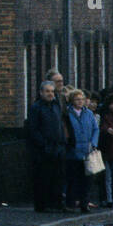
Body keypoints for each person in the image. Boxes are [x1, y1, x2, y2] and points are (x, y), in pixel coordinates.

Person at [26, 81, 68, 213]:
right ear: (41, 92)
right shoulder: (36, 108)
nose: (50, 94)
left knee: (58, 177)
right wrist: (44, 145)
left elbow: (60, 125)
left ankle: (56, 203)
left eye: (52, 91)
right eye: (47, 91)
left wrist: (62, 142)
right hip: (43, 150)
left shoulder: (56, 106)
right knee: (43, 178)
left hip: (58, 147)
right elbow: (33, 129)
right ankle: (42, 205)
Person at [64, 88, 99, 213]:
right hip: (73, 151)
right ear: (72, 100)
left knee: (87, 180)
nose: (80, 102)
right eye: (77, 99)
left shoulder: (89, 113)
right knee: (73, 179)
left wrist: (94, 143)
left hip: (88, 151)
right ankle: (71, 203)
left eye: (82, 99)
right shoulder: (67, 113)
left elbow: (96, 129)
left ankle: (85, 203)